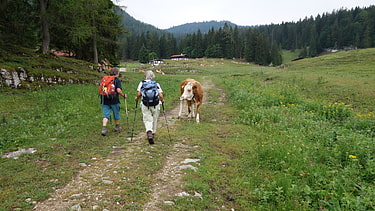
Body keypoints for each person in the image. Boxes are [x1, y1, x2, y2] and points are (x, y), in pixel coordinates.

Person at [135, 70, 164, 144]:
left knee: (147, 118)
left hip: (145, 104)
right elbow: (160, 95)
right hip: (155, 104)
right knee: (155, 118)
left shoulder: (142, 83)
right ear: (153, 76)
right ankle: (153, 133)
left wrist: (137, 98)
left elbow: (139, 94)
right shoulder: (156, 84)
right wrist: (162, 100)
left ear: (145, 76)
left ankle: (149, 132)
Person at [100, 67, 127, 136]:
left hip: (104, 99)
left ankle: (104, 128)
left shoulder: (105, 79)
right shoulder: (117, 80)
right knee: (116, 113)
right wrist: (123, 95)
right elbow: (118, 90)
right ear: (117, 73)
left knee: (106, 115)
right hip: (114, 99)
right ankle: (117, 126)